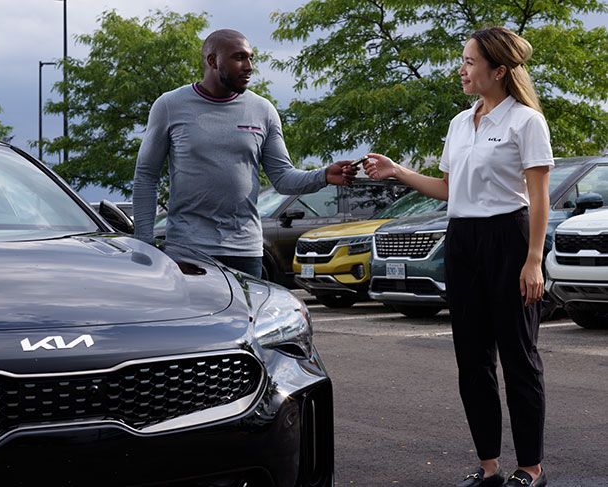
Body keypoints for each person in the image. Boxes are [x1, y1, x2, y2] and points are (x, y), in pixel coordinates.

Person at [363, 27, 552, 487]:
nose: (462, 69)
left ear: (499, 70)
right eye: (463, 60)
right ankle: (488, 467)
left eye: (469, 62)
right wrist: (399, 172)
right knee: (472, 359)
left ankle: (530, 469)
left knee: (519, 358)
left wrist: (532, 259)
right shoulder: (458, 124)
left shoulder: (526, 122)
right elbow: (449, 192)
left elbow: (539, 198)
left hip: (509, 238)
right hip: (462, 240)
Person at [132, 29, 357, 278]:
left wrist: (324, 175)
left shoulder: (263, 110)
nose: (249, 66)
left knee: (245, 318)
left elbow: (282, 178)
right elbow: (146, 175)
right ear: (212, 61)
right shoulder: (169, 105)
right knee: (196, 318)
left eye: (251, 58)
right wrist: (145, 245)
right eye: (239, 58)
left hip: (246, 251)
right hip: (188, 249)